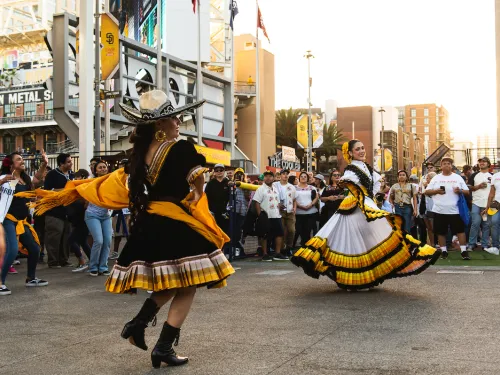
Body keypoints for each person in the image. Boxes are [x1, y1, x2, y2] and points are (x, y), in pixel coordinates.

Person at [20, 90, 235, 368]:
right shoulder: (181, 148)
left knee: (176, 283)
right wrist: (196, 193)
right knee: (188, 286)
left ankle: (139, 325)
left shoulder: (136, 157)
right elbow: (197, 178)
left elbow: (112, 184)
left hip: (149, 226)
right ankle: (162, 346)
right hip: (176, 225)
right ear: (160, 124)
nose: (179, 121)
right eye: (174, 117)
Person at [291, 139, 441, 290]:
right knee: (353, 242)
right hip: (354, 207)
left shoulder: (367, 168)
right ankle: (354, 279)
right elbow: (349, 182)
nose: (362, 151)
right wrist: (366, 195)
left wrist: (372, 197)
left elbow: (377, 183)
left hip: (365, 204)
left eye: (363, 148)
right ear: (350, 153)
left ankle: (366, 276)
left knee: (371, 239)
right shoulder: (351, 169)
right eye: (358, 149)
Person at [0, 151, 49, 295]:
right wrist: (2, 181)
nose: (22, 161)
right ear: (11, 164)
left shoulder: (24, 180)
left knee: (34, 248)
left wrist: (44, 164)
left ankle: (31, 278)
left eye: (22, 159)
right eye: (19, 159)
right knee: (12, 250)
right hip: (8, 220)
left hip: (22, 221)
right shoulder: (5, 179)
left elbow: (38, 179)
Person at [425, 157, 470, 260]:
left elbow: (467, 191)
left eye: (449, 163)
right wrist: (436, 191)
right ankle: (444, 251)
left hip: (455, 210)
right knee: (441, 232)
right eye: (444, 163)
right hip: (439, 210)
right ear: (441, 166)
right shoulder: (436, 178)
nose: (446, 165)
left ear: (451, 166)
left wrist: (459, 191)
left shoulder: (458, 177)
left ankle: (464, 251)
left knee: (460, 231)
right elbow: (426, 192)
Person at [44, 153, 74, 268]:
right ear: (61, 163)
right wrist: (66, 190)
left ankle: (64, 260)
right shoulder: (52, 174)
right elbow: (48, 192)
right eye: (68, 162)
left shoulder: (72, 174)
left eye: (71, 161)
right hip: (54, 212)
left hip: (68, 212)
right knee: (54, 237)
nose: (71, 163)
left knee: (66, 237)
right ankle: (53, 261)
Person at [85, 160, 113, 276]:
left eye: (104, 167)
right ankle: (93, 267)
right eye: (100, 167)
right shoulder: (91, 182)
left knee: (107, 241)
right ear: (95, 171)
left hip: (106, 216)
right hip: (92, 214)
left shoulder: (112, 181)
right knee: (99, 240)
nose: (102, 169)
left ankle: (103, 267)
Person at [253, 171, 288, 261]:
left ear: (273, 178)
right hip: (266, 215)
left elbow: (277, 201)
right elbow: (256, 202)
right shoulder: (260, 189)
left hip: (276, 214)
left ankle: (277, 253)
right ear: (263, 178)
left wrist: (280, 206)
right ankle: (265, 254)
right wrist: (260, 215)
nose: (268, 178)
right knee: (264, 235)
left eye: (270, 176)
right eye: (266, 176)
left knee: (279, 233)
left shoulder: (275, 189)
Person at [67, 169, 91, 272]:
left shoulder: (85, 189)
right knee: (82, 241)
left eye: (77, 177)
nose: (75, 179)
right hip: (77, 220)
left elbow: (86, 204)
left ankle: (82, 261)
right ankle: (93, 262)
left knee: (71, 240)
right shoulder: (75, 189)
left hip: (83, 220)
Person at [467, 157, 493, 251]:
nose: (482, 163)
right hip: (476, 203)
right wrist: (478, 186)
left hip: (488, 204)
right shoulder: (474, 175)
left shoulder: (493, 175)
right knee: (475, 223)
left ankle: (484, 245)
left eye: (484, 162)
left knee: (486, 225)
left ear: (488, 164)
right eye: (480, 162)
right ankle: (471, 244)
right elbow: (468, 188)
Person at [273, 169, 296, 255]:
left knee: (292, 230)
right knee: (281, 231)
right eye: (283, 174)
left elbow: (294, 199)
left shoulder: (292, 187)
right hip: (279, 211)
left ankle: (289, 247)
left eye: (287, 174)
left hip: (290, 211)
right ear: (280, 175)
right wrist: (277, 204)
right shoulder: (275, 185)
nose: (285, 175)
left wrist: (294, 208)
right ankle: (282, 248)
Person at [205, 163, 230, 236]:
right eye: (217, 170)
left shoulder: (228, 183)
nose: (219, 172)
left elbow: (233, 198)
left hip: (225, 212)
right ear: (214, 172)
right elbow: (206, 197)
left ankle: (224, 247)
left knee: (225, 232)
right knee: (214, 232)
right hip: (213, 212)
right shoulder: (210, 184)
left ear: (224, 171)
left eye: (221, 170)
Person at [295, 171, 319, 247]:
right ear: (299, 178)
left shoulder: (312, 188)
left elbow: (316, 198)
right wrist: (300, 206)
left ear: (308, 178)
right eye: (301, 176)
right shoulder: (294, 188)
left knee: (307, 231)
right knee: (298, 230)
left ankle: (306, 247)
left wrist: (311, 205)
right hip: (298, 213)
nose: (303, 178)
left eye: (305, 176)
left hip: (310, 213)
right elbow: (293, 198)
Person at [483, 168, 500, 255]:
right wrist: (487, 207)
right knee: (494, 222)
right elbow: (491, 193)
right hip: (496, 204)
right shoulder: (495, 176)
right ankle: (496, 247)